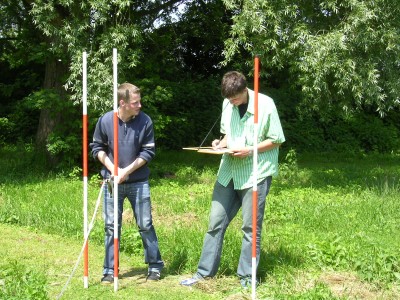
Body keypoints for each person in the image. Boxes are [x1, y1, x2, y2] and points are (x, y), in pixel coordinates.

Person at [180, 71, 285, 288]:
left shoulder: (266, 105)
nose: (232, 102)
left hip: (255, 173)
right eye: (229, 99)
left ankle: (247, 279)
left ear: (244, 89)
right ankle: (203, 274)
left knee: (250, 228)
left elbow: (276, 139)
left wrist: (250, 150)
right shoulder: (227, 104)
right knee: (215, 223)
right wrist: (221, 143)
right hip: (228, 172)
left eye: (235, 98)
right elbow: (228, 134)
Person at [90, 83, 164, 285]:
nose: (140, 105)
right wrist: (113, 168)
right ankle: (109, 270)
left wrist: (125, 171)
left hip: (138, 182)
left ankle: (155, 266)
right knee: (111, 227)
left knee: (145, 224)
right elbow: (97, 148)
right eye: (135, 102)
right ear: (122, 103)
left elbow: (148, 153)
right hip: (112, 182)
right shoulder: (106, 120)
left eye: (139, 101)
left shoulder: (145, 121)